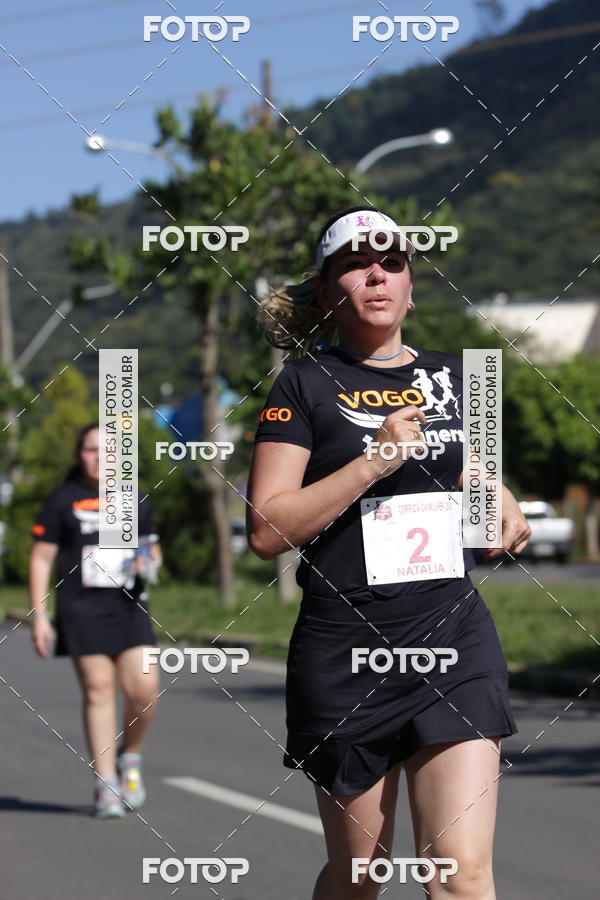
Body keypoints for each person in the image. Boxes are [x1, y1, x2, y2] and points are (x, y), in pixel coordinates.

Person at [246, 206, 531, 899]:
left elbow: (472, 473)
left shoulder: (460, 377)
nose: (377, 275)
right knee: (360, 875)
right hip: (346, 648)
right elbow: (266, 530)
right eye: (356, 264)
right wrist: (372, 462)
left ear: (411, 285)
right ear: (326, 290)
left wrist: (502, 499)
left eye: (393, 263)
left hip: (452, 639)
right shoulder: (303, 383)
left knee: (460, 872)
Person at [29, 423, 163, 819]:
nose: (100, 457)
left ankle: (130, 757)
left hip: (128, 607)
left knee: (145, 688)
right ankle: (106, 784)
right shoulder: (62, 499)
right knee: (99, 690)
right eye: (91, 449)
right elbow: (41, 558)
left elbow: (151, 548)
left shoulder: (134, 498)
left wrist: (148, 560)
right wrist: (40, 617)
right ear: (79, 454)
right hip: (80, 609)